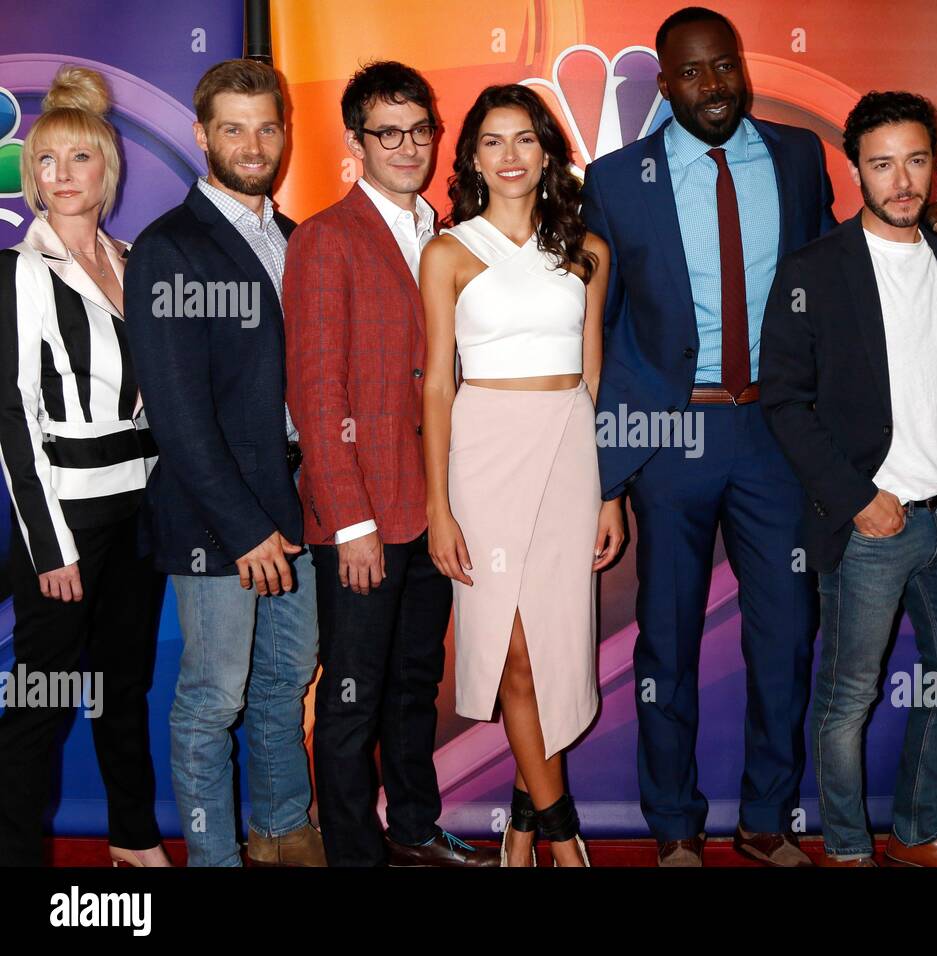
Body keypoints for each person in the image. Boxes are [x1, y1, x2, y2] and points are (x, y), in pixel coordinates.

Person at [581, 5, 937, 868]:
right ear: (663, 81)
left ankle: (767, 821)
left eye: (723, 66)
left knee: (785, 638)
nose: (712, 85)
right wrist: (609, 474)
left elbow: (842, 270)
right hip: (669, 435)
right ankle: (676, 829)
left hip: (777, 433)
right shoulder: (616, 180)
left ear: (742, 68)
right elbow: (600, 335)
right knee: (668, 642)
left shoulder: (797, 157)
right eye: (690, 72)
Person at [762, 91, 937, 868]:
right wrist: (860, 501)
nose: (902, 180)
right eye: (883, 162)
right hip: (872, 525)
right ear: (855, 168)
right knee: (847, 701)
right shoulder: (813, 270)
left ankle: (920, 829)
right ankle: (852, 851)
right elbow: (784, 401)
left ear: (936, 165)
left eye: (916, 160)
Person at [283, 61, 494, 868]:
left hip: (436, 508)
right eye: (387, 133)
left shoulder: (446, 235)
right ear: (355, 143)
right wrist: (351, 523)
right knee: (350, 700)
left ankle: (410, 827)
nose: (407, 147)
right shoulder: (325, 238)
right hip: (364, 516)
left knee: (414, 688)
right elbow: (314, 388)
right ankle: (353, 852)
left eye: (419, 131)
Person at [125, 59, 323, 867]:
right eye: (233, 128)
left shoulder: (298, 238)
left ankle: (284, 831)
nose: (253, 143)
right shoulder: (170, 247)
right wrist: (245, 530)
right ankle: (214, 857)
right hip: (219, 520)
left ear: (284, 133)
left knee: (288, 679)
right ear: (203, 135)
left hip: (299, 500)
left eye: (266, 126)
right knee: (214, 698)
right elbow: (177, 417)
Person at [421, 84, 621, 868]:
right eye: (493, 142)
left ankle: (524, 820)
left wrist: (607, 490)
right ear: (472, 156)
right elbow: (438, 383)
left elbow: (594, 379)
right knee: (511, 652)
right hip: (483, 454)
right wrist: (439, 505)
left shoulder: (586, 251)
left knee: (555, 648)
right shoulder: (448, 251)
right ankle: (562, 832)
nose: (510, 156)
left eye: (525, 140)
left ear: (547, 153)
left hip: (566, 450)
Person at [0, 66, 169, 868]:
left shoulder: (133, 259)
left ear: (109, 170)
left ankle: (133, 838)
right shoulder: (20, 271)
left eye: (79, 160)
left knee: (123, 686)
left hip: (139, 514)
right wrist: (49, 546)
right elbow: (12, 417)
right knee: (41, 700)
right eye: (45, 161)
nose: (60, 176)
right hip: (65, 521)